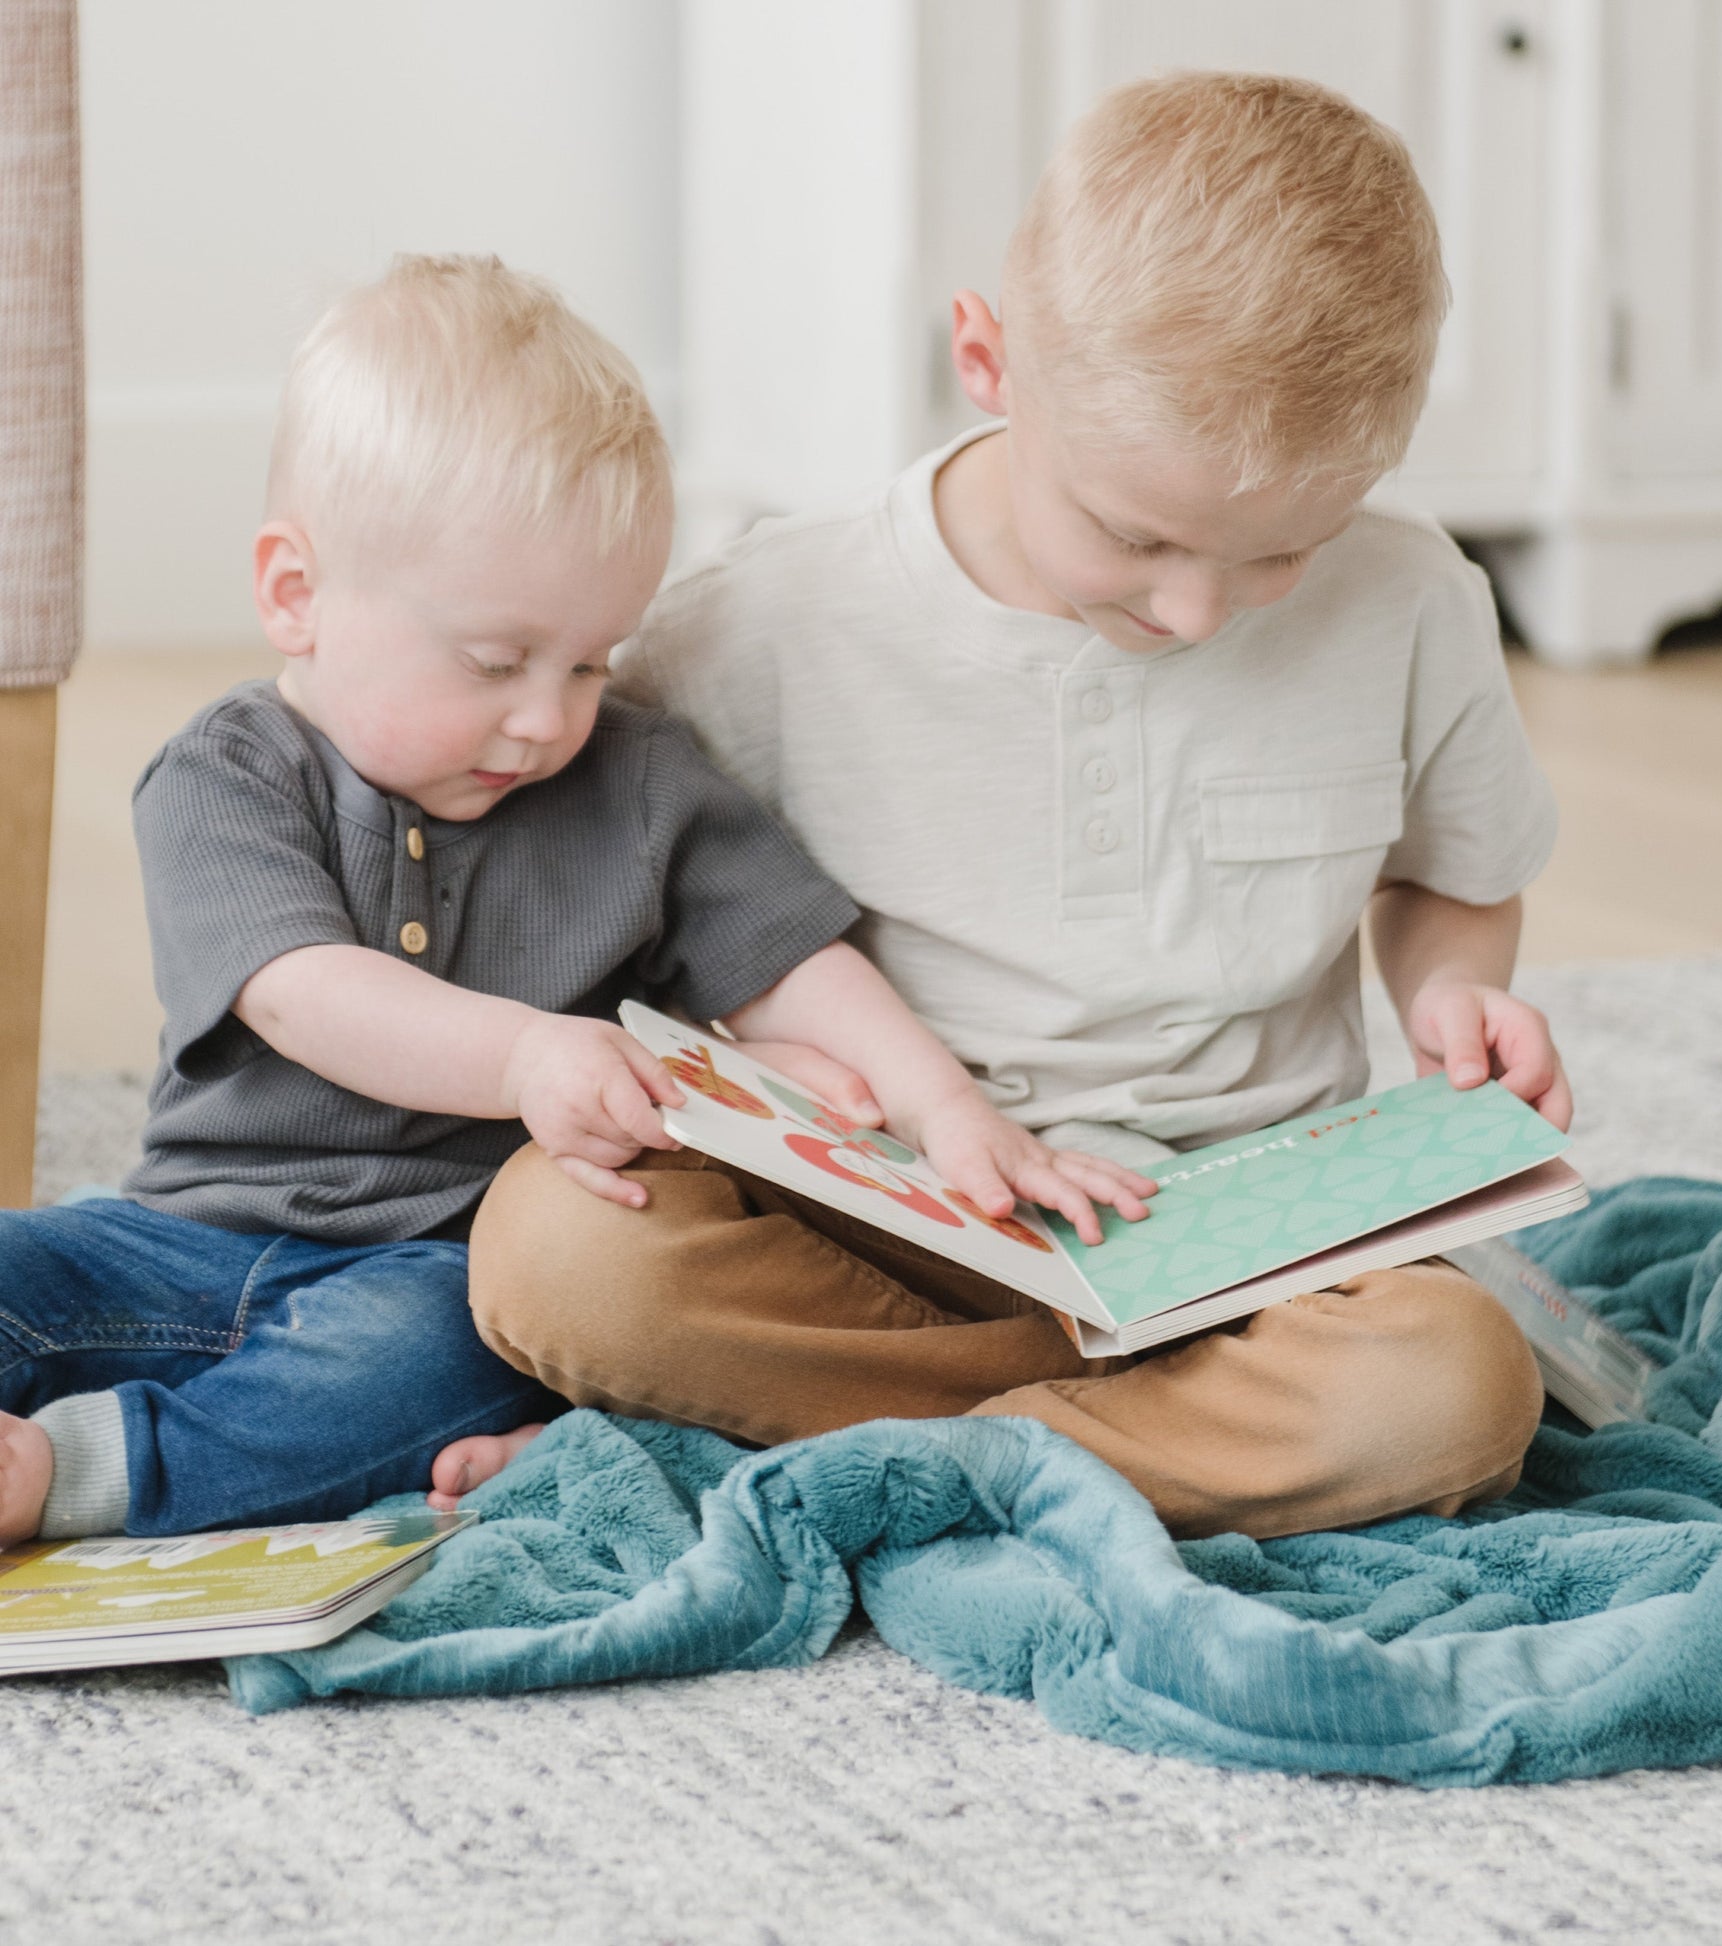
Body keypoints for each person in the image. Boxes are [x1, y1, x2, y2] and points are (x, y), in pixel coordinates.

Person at [447, 72, 1569, 1542]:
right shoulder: (760, 624)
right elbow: (609, 921)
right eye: (1135, 534)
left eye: (1278, 552)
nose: (1192, 609)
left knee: (1454, 1388)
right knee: (551, 1245)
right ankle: (1065, 1448)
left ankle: (833, 1460)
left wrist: (1452, 997)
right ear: (985, 356)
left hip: (1244, 1259)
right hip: (882, 1231)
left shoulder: (1413, 598)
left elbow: (1454, 878)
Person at [0, 255, 1148, 1543]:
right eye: (496, 662)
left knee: (430, 1360)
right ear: (296, 595)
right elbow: (308, 994)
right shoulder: (224, 775)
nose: (548, 716)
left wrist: (942, 1107)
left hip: (450, 1268)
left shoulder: (642, 782)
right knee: (20, 1261)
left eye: (592, 661)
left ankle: (83, 1473)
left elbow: (793, 962)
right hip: (187, 1242)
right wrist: (530, 1050)